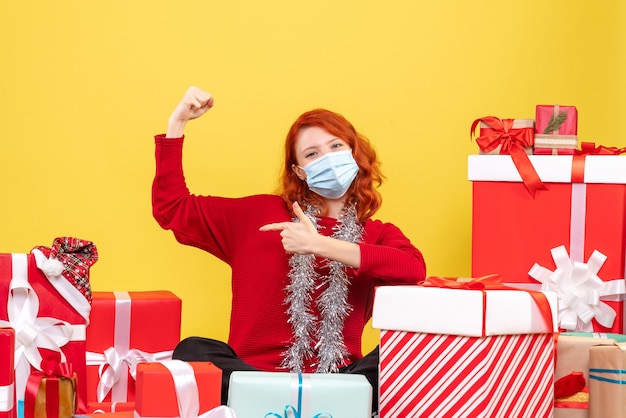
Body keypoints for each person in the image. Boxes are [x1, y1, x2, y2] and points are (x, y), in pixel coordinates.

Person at [152, 86, 426, 413]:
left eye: (336, 147)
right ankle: (289, 402)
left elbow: (414, 270)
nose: (327, 158)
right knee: (194, 350)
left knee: (408, 351)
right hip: (255, 377)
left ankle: (315, 403)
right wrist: (177, 123)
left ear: (354, 155)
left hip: (340, 378)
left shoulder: (377, 234)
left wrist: (321, 245)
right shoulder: (258, 215)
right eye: (312, 154)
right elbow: (173, 208)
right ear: (298, 170)